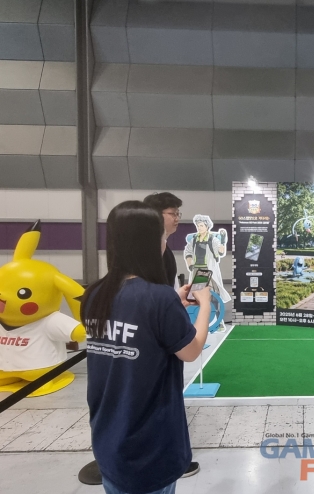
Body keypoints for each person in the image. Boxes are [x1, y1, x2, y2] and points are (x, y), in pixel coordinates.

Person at [82, 201, 211, 494]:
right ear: (149, 243)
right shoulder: (158, 298)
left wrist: (175, 305)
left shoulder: (94, 294)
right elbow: (191, 351)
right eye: (162, 236)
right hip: (150, 445)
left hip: (107, 437)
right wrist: (204, 305)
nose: (165, 242)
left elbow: (140, 329)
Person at [144, 192, 183, 288]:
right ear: (156, 215)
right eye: (173, 214)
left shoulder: (166, 249)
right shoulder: (146, 249)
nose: (177, 219)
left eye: (178, 214)